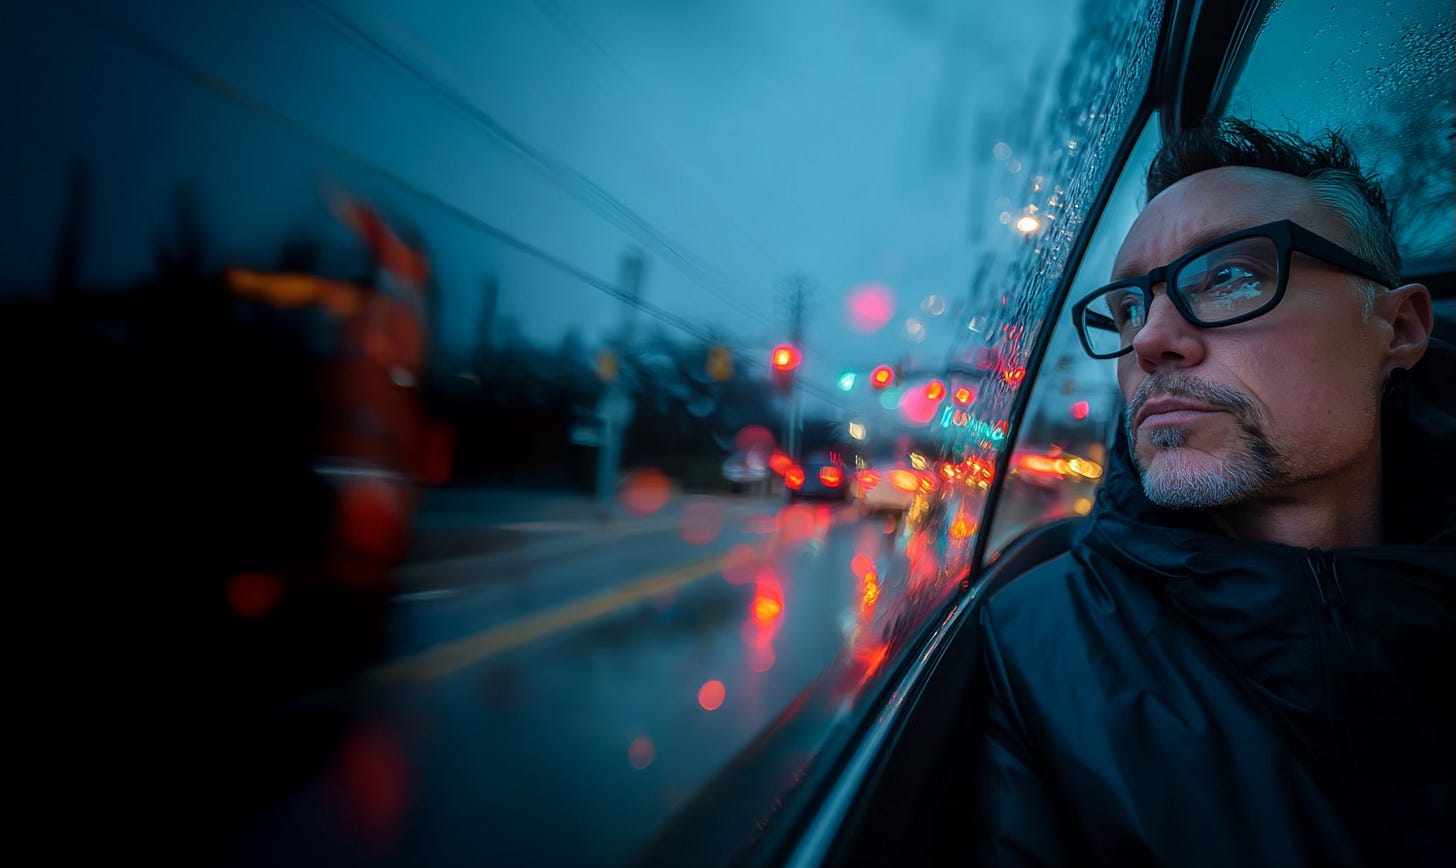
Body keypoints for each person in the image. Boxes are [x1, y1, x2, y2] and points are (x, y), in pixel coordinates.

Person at [968, 118, 1455, 867]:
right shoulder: (1038, 644)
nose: (1153, 339)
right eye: (1129, 307)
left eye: (1230, 276)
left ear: (1399, 329)